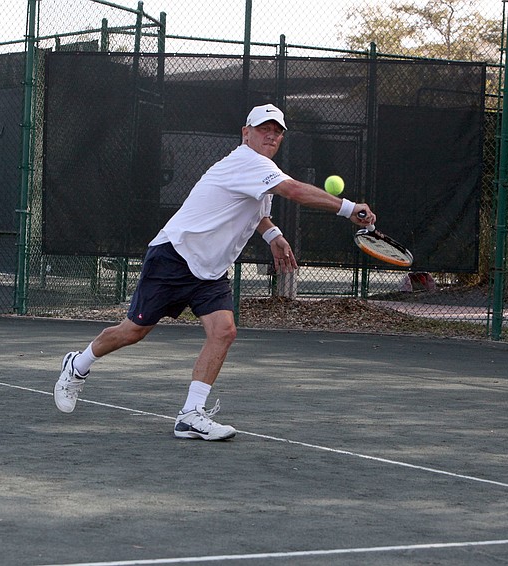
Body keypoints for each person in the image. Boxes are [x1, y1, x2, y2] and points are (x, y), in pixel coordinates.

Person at [54, 103, 375, 440]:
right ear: (246, 133)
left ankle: (191, 414)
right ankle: (78, 365)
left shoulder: (261, 169)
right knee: (133, 331)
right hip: (174, 256)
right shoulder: (246, 161)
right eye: (264, 128)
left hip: (211, 270)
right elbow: (294, 191)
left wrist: (273, 236)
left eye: (277, 130)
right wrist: (349, 208)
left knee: (224, 331)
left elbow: (254, 211)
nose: (271, 134)